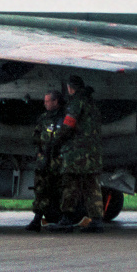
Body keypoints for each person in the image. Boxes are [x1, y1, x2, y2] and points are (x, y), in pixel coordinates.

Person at [49, 74, 104, 233]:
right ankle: (97, 220)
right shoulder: (92, 103)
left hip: (77, 153)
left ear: (70, 87)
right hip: (93, 152)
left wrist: (56, 141)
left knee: (70, 185)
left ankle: (66, 219)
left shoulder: (76, 103)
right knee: (92, 186)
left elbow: (69, 124)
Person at [26, 90, 65, 232]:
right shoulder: (43, 118)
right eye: (45, 101)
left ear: (55, 102)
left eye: (48, 101)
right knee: (41, 189)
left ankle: (61, 219)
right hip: (44, 159)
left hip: (58, 159)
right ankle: (37, 219)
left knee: (59, 189)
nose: (45, 104)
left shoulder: (64, 117)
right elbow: (35, 136)